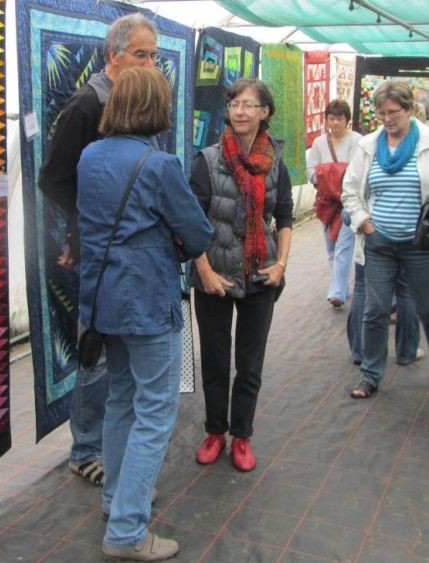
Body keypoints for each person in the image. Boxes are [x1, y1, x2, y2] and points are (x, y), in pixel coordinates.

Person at [77, 66, 213, 562]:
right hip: (149, 299)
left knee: (121, 400)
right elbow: (197, 234)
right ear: (157, 108)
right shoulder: (160, 165)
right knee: (155, 411)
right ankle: (127, 530)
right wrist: (170, 239)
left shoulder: (90, 156)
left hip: (103, 298)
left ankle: (117, 501)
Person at [38, 13, 159, 486]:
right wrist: (84, 223)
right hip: (100, 251)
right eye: (141, 55)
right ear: (114, 55)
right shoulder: (87, 106)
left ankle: (110, 438)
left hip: (132, 251)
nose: (149, 64)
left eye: (153, 56)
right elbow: (54, 178)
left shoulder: (136, 101)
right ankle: (85, 448)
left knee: (122, 351)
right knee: (98, 353)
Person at [189, 78, 293, 472]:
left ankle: (242, 435)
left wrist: (281, 265)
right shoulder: (207, 160)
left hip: (260, 274)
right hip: (214, 275)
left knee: (250, 363)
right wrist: (204, 270)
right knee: (215, 359)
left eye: (249, 105)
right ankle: (215, 431)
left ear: (265, 112)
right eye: (234, 104)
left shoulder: (274, 161)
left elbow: (284, 215)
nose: (240, 111)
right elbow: (190, 221)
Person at [341, 80, 429, 399]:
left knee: (426, 309)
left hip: (420, 246)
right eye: (382, 113)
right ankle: (370, 375)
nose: (387, 119)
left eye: (393, 112)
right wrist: (366, 224)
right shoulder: (369, 145)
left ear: (409, 109)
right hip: (379, 244)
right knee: (375, 311)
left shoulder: (425, 142)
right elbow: (350, 190)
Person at [306, 100, 362, 307]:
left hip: (348, 202)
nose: (335, 122)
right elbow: (311, 171)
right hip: (327, 203)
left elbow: (355, 171)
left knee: (344, 245)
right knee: (331, 247)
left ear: (347, 120)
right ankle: (341, 286)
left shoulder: (357, 141)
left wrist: (328, 172)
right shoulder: (319, 143)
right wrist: (329, 176)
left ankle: (337, 291)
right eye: (331, 118)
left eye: (340, 118)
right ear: (326, 120)